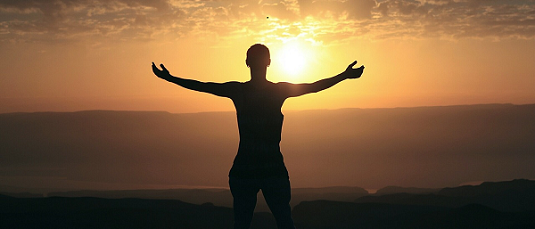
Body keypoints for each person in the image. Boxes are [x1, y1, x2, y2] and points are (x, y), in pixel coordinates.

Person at [152, 43, 364, 229]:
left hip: (246, 169)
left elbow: (202, 86)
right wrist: (343, 76)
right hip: (270, 169)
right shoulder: (277, 91)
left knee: (245, 223)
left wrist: (169, 78)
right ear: (269, 62)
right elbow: (313, 87)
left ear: (247, 62)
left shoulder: (239, 91)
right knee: (284, 221)